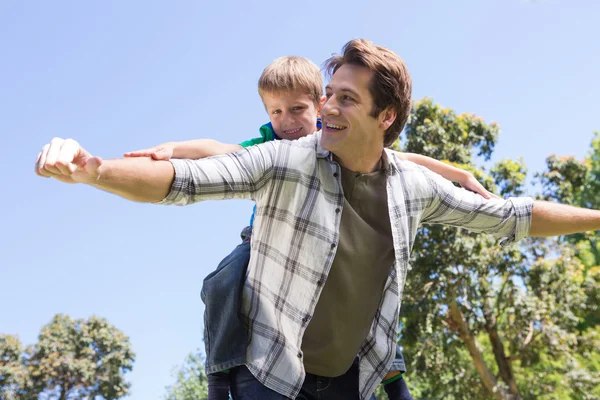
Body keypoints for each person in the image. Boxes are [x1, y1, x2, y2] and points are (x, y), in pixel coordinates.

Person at [35, 39, 599, 400]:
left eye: (345, 100)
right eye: (327, 95)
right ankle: (218, 373)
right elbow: (188, 180)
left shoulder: (412, 187)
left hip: (355, 378)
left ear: (386, 116)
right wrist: (96, 170)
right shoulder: (286, 159)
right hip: (272, 378)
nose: (326, 108)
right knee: (224, 283)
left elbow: (512, 217)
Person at [123, 56, 494, 400]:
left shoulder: (333, 135)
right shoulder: (269, 143)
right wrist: (174, 148)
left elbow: (401, 159)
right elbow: (220, 148)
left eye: (297, 109)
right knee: (221, 282)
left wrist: (456, 173)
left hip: (331, 239)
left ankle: (393, 376)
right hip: (270, 245)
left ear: (319, 104)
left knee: (368, 291)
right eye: (275, 111)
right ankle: (219, 374)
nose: (286, 120)